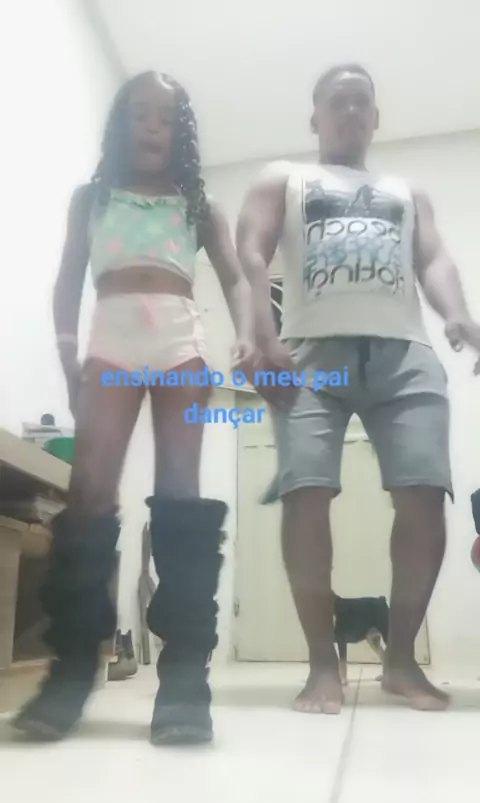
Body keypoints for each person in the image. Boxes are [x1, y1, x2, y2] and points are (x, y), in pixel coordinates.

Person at [13, 71, 251, 745]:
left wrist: (249, 337)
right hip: (111, 339)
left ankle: (185, 678)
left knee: (180, 492)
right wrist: (68, 356)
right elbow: (67, 281)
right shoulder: (91, 198)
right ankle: (70, 670)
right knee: (88, 492)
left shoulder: (199, 204)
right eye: (141, 114)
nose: (153, 125)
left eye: (166, 117)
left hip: (179, 339)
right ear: (122, 124)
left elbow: (235, 277)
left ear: (181, 133)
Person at [236, 64, 480, 714]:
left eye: (360, 102)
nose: (349, 111)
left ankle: (400, 663)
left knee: (424, 496)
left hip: (406, 354)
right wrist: (260, 333)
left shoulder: (406, 190)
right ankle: (323, 665)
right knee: (305, 494)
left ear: (376, 118)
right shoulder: (284, 178)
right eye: (336, 102)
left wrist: (459, 314)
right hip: (312, 355)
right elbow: (250, 252)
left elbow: (434, 258)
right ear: (315, 118)